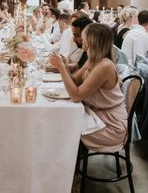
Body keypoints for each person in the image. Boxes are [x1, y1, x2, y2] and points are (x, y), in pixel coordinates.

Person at [50, 23, 128, 152]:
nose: (81, 39)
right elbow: (74, 81)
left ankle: (65, 166)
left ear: (92, 41)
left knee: (61, 125)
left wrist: (62, 68)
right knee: (59, 119)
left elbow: (76, 96)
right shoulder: (93, 60)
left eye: (83, 36)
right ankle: (66, 164)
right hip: (96, 115)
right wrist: (64, 65)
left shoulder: (104, 66)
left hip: (110, 126)